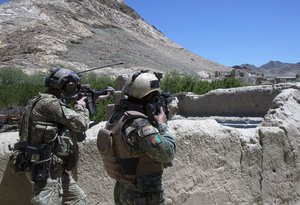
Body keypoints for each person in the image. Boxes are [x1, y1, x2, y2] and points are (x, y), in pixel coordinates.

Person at [11, 67, 109, 205]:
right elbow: (81, 123)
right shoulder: (49, 104)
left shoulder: (41, 100)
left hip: (54, 168)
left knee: (77, 200)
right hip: (45, 170)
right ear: (68, 86)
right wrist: (81, 106)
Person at [97, 71, 176, 205]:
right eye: (154, 96)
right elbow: (167, 154)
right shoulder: (140, 126)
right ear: (149, 96)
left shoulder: (119, 115)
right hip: (143, 193)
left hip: (124, 189)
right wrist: (162, 125)